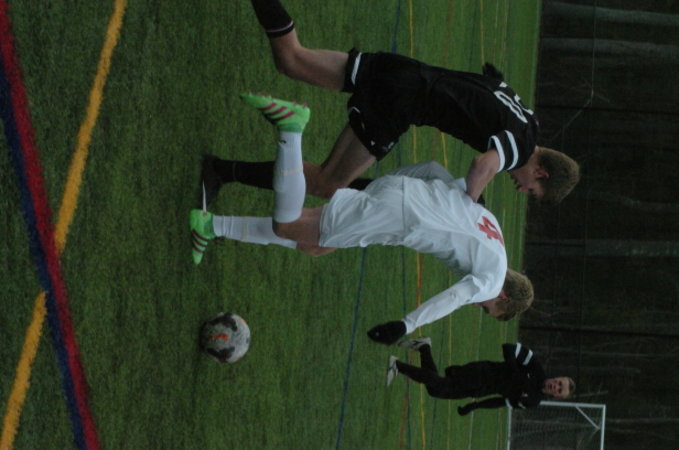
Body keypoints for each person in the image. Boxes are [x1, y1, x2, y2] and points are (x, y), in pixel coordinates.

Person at [191, 93, 534, 344]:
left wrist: (386, 188)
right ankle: (290, 130)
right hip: (396, 218)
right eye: (487, 308)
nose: (482, 304)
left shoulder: (493, 228)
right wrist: (407, 324)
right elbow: (455, 298)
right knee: (289, 226)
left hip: (398, 193)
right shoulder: (491, 281)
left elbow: (432, 169)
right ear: (503, 297)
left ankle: (211, 226)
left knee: (315, 245)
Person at [201, 0, 580, 205]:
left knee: (291, 59)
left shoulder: (529, 120)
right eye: (531, 190)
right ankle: (220, 171)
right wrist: (471, 202)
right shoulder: (520, 149)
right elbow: (484, 165)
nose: (521, 189)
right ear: (541, 173)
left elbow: (493, 82)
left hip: (402, 70)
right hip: (399, 101)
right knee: (327, 185)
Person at [387, 339, 575, 415]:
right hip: (481, 372)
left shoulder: (533, 401)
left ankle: (424, 347)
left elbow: (501, 402)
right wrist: (513, 370)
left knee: (436, 391)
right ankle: (397, 365)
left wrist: (475, 406)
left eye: (560, 390)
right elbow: (509, 347)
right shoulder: (535, 366)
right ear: (558, 377)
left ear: (557, 396)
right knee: (441, 385)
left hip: (480, 390)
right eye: (560, 383)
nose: (556, 386)